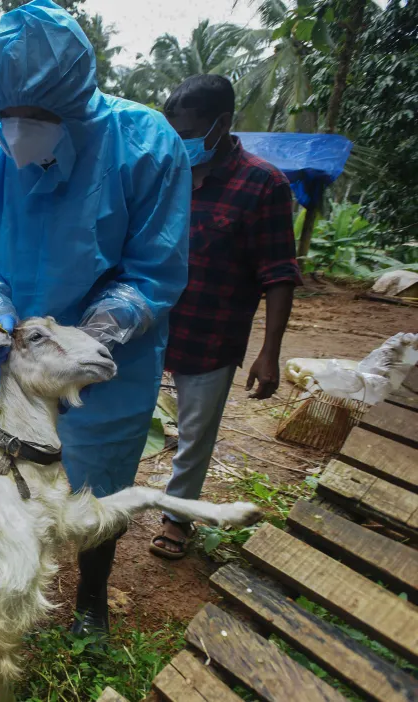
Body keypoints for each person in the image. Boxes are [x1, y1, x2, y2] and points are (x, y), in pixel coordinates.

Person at [0, 0, 190, 636]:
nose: (20, 130)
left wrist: (98, 330)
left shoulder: (144, 144)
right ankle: (17, 575)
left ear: (78, 104)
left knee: (101, 483)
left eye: (42, 117)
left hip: (109, 364)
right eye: (10, 116)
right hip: (16, 360)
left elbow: (156, 268)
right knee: (19, 468)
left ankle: (90, 597)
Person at [150, 75, 300, 559]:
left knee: (194, 434)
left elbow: (278, 273)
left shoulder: (263, 184)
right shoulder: (165, 175)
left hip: (211, 334)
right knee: (127, 416)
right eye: (174, 132)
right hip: (151, 327)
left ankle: (178, 518)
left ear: (223, 124)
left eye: (189, 132)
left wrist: (269, 352)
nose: (181, 142)